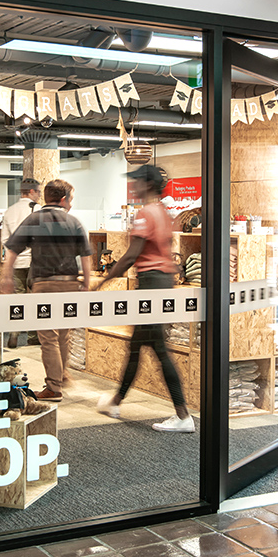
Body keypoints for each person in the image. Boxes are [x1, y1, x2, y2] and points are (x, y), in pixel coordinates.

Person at [96, 165, 194, 433]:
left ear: (148, 184)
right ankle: (116, 401)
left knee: (159, 350)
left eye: (137, 182)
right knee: (138, 345)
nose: (134, 186)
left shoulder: (145, 213)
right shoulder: (164, 213)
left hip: (151, 285)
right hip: (161, 284)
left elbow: (131, 255)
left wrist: (105, 280)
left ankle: (183, 415)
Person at [1, 179, 93, 402]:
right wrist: (87, 284)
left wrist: (6, 277)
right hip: (70, 283)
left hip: (44, 284)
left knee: (48, 337)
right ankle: (60, 376)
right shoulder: (74, 222)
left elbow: (12, 250)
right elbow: (86, 256)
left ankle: (54, 387)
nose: (71, 203)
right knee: (64, 334)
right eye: (71, 198)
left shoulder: (34, 219)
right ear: (63, 199)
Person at [1, 178, 42, 348]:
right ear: (31, 192)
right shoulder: (39, 210)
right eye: (38, 191)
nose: (39, 195)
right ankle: (33, 335)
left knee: (17, 301)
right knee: (35, 300)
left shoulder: (10, 211)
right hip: (35, 263)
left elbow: (5, 240)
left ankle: (14, 333)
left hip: (16, 262)